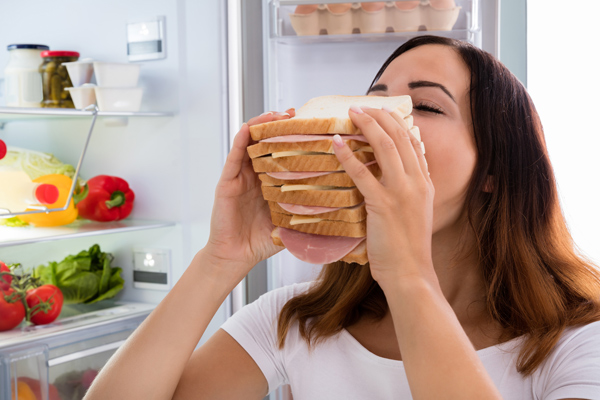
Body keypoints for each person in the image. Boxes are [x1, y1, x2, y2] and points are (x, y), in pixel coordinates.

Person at [84, 36, 600, 400]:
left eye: (423, 105)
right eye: (373, 99)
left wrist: (407, 276)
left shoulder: (580, 338)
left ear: (493, 169)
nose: (376, 120)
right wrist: (220, 259)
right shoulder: (298, 320)